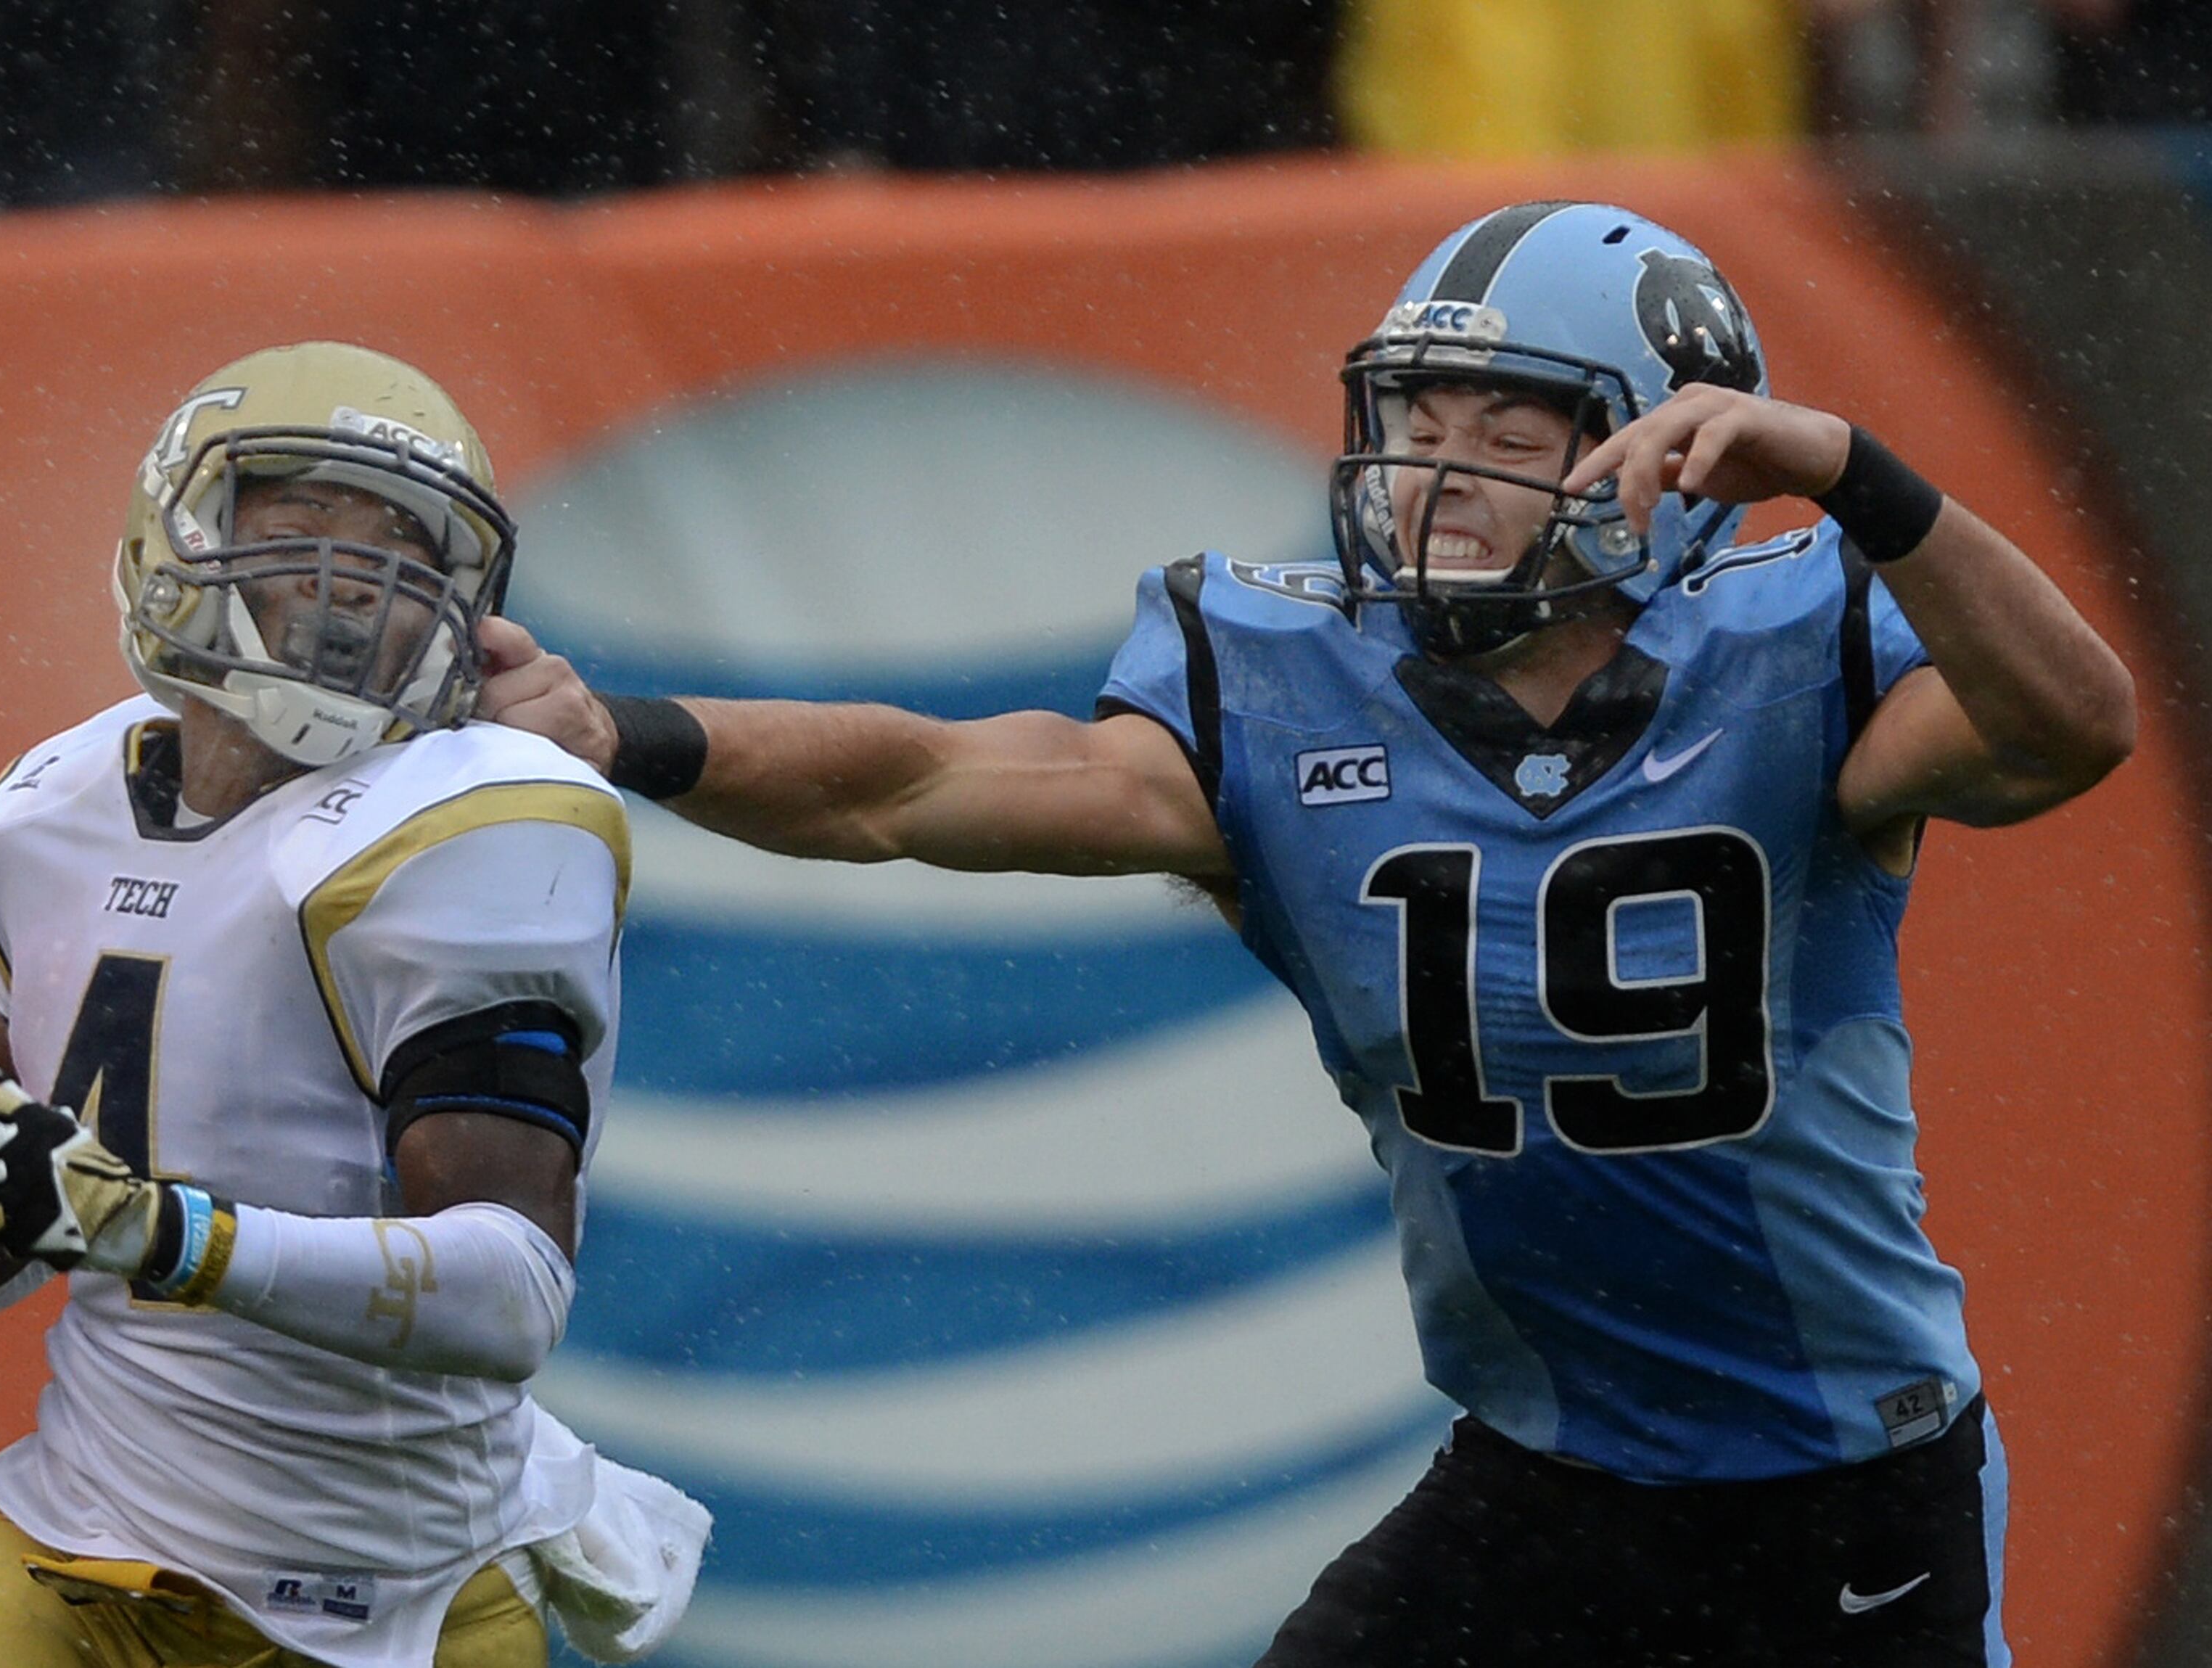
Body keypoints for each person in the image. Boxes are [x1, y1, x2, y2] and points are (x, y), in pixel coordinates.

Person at [475, 202, 2136, 1667]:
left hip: (1840, 1480)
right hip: (1548, 1469)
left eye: (1510, 427)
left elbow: (2076, 723)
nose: (1436, 473)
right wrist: (628, 733)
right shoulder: (1290, 695)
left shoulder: (1790, 661)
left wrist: (1854, 472)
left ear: (1672, 461)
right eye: (1418, 416)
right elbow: (916, 784)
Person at [0, 341, 708, 1668]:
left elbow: (511, 1291)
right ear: (176, 537)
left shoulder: (468, 826)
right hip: (85, 1546)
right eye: (304, 526)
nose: (352, 585)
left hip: (393, 1600)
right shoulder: (51, 809)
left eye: (403, 550)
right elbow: (55, 1184)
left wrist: (166, 1232)